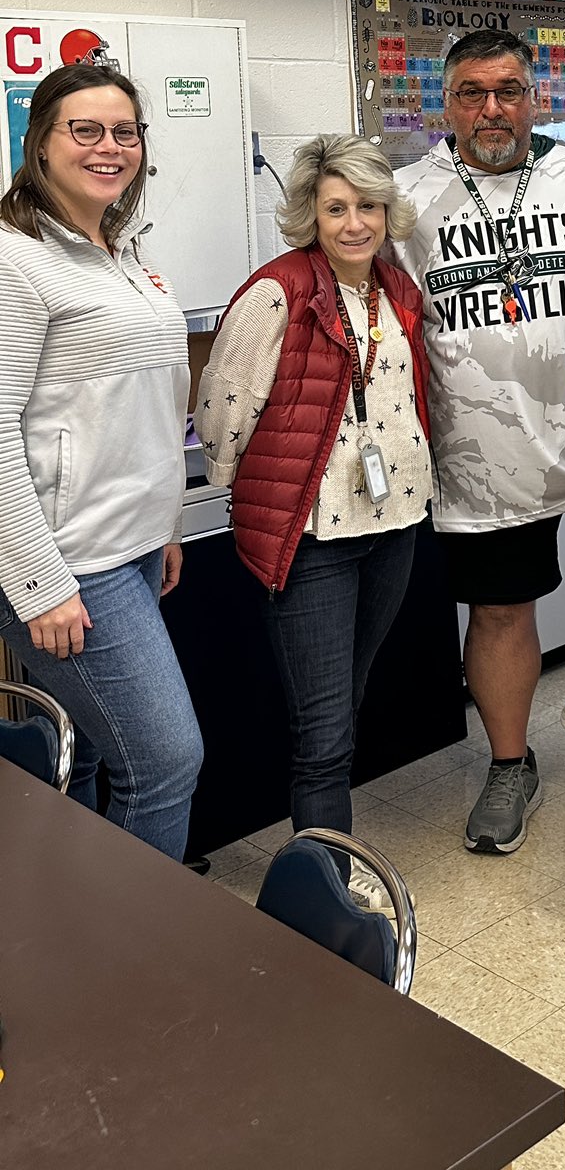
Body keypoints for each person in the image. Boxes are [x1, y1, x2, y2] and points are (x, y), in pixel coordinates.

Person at [391, 32, 565, 856]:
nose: (491, 109)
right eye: (472, 92)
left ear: (536, 99)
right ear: (447, 103)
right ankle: (508, 766)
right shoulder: (404, 201)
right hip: (480, 450)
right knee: (500, 613)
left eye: (507, 91)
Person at [195, 135, 430, 843]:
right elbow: (222, 408)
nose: (355, 223)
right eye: (336, 208)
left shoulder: (397, 290)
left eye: (368, 206)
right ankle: (326, 881)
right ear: (311, 215)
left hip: (394, 525)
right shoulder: (279, 292)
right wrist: (245, 487)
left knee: (347, 701)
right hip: (314, 537)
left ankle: (323, 854)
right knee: (323, 731)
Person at [0, 63, 203, 859]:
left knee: (83, 755)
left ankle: (71, 919)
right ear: (41, 143)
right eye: (85, 129)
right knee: (165, 763)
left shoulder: (121, 252)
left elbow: (144, 407)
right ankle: (138, 934)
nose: (108, 147)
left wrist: (166, 525)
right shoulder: (15, 259)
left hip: (133, 545)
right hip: (70, 562)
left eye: (125, 131)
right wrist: (40, 584)